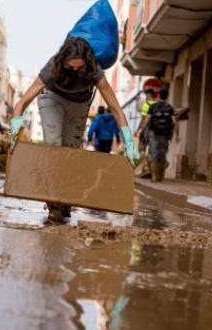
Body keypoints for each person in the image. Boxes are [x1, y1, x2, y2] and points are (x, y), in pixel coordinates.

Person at [10, 37, 140, 223]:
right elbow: (22, 102)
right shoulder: (52, 66)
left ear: (87, 63)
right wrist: (14, 132)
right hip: (52, 99)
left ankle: (65, 200)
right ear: (63, 62)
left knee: (70, 153)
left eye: (79, 69)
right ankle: (54, 205)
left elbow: (117, 109)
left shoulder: (95, 70)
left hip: (79, 104)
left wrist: (129, 144)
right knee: (54, 147)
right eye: (70, 68)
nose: (75, 73)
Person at [138, 88, 174, 182]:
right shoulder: (169, 107)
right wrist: (175, 134)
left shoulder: (153, 106)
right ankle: (160, 176)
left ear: (158, 96)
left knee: (152, 155)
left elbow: (147, 119)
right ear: (167, 96)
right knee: (162, 155)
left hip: (153, 133)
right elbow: (174, 122)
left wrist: (142, 130)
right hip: (165, 134)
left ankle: (154, 176)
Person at [134, 87, 158, 178]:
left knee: (142, 150)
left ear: (149, 95)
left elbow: (143, 120)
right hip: (155, 132)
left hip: (146, 130)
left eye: (146, 95)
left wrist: (138, 130)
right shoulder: (157, 105)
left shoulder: (146, 105)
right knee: (152, 151)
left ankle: (144, 169)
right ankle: (151, 170)